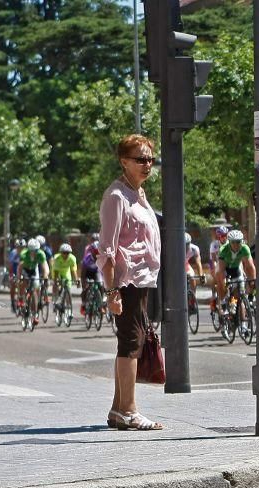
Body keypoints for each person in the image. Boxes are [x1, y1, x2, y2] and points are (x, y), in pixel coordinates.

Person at [97, 133, 163, 431]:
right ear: (124, 161)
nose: (147, 164)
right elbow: (107, 249)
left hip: (141, 280)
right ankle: (129, 410)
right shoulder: (117, 197)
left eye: (150, 159)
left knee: (130, 343)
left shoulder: (138, 194)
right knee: (131, 344)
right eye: (140, 159)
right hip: (127, 282)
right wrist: (112, 291)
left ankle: (116, 409)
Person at [217, 229, 256, 331]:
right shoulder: (223, 249)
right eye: (233, 242)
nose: (236, 245)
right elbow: (221, 271)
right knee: (221, 283)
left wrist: (252, 281)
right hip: (225, 270)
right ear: (229, 242)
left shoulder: (245, 248)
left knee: (239, 296)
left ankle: (243, 325)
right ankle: (223, 303)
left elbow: (250, 267)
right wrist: (224, 284)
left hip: (236, 270)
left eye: (238, 242)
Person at [17, 238, 50, 323]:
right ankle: (21, 298)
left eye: (35, 250)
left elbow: (44, 266)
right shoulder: (24, 254)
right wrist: (19, 277)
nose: (33, 252)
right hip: (25, 269)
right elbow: (20, 267)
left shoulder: (41, 254)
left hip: (34, 269)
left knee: (35, 291)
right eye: (31, 250)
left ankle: (35, 314)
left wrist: (45, 276)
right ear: (28, 249)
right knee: (23, 282)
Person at [50, 243, 79, 308]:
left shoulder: (72, 258)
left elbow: (73, 270)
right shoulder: (57, 258)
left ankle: (68, 305)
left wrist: (76, 279)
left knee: (68, 286)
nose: (66, 255)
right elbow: (56, 272)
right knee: (56, 284)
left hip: (66, 271)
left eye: (67, 253)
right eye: (64, 253)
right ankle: (55, 298)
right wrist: (56, 281)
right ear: (61, 253)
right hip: (57, 271)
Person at [208, 225, 228, 310]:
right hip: (217, 262)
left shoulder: (230, 242)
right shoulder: (214, 244)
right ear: (218, 236)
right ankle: (214, 296)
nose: (224, 237)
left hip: (228, 263)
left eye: (226, 235)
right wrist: (213, 271)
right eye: (222, 236)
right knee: (215, 278)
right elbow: (212, 259)